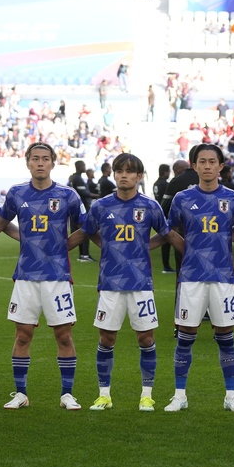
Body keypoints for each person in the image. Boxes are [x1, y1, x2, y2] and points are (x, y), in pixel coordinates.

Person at [68, 153, 176, 411]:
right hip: (110, 284)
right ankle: (104, 394)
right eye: (119, 171)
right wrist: (104, 247)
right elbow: (86, 232)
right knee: (106, 338)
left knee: (146, 339)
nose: (123, 175)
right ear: (114, 174)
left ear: (139, 177)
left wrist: (143, 246)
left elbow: (166, 234)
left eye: (129, 171)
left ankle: (146, 395)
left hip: (141, 284)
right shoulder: (101, 206)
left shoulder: (150, 206)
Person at [0, 143, 85, 410]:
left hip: (57, 277)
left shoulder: (68, 195)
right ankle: (20, 394)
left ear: (53, 163)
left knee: (64, 336)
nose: (40, 163)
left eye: (45, 159)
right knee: (23, 335)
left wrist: (63, 245)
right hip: (26, 276)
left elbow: (85, 228)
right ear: (27, 162)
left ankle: (67, 394)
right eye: (35, 159)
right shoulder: (17, 193)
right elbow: (1, 223)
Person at [163, 143, 234, 413]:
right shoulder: (182, 198)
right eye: (202, 161)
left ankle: (231, 396)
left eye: (213, 161)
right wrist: (188, 250)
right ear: (194, 165)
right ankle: (179, 395)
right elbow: (170, 231)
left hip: (223, 277)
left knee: (226, 335)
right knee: (186, 335)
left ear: (220, 166)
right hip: (191, 278)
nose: (208, 166)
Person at [161, 158, 199, 274]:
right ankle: (166, 266)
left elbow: (164, 206)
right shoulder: (207, 179)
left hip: (182, 230)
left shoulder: (176, 181)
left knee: (182, 269)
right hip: (205, 230)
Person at [69, 160, 94, 262]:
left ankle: (82, 254)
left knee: (78, 231)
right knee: (85, 230)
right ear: (79, 166)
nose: (85, 167)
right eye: (83, 165)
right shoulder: (77, 179)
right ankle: (84, 254)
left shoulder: (73, 178)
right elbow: (84, 194)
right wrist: (99, 197)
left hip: (76, 208)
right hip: (82, 207)